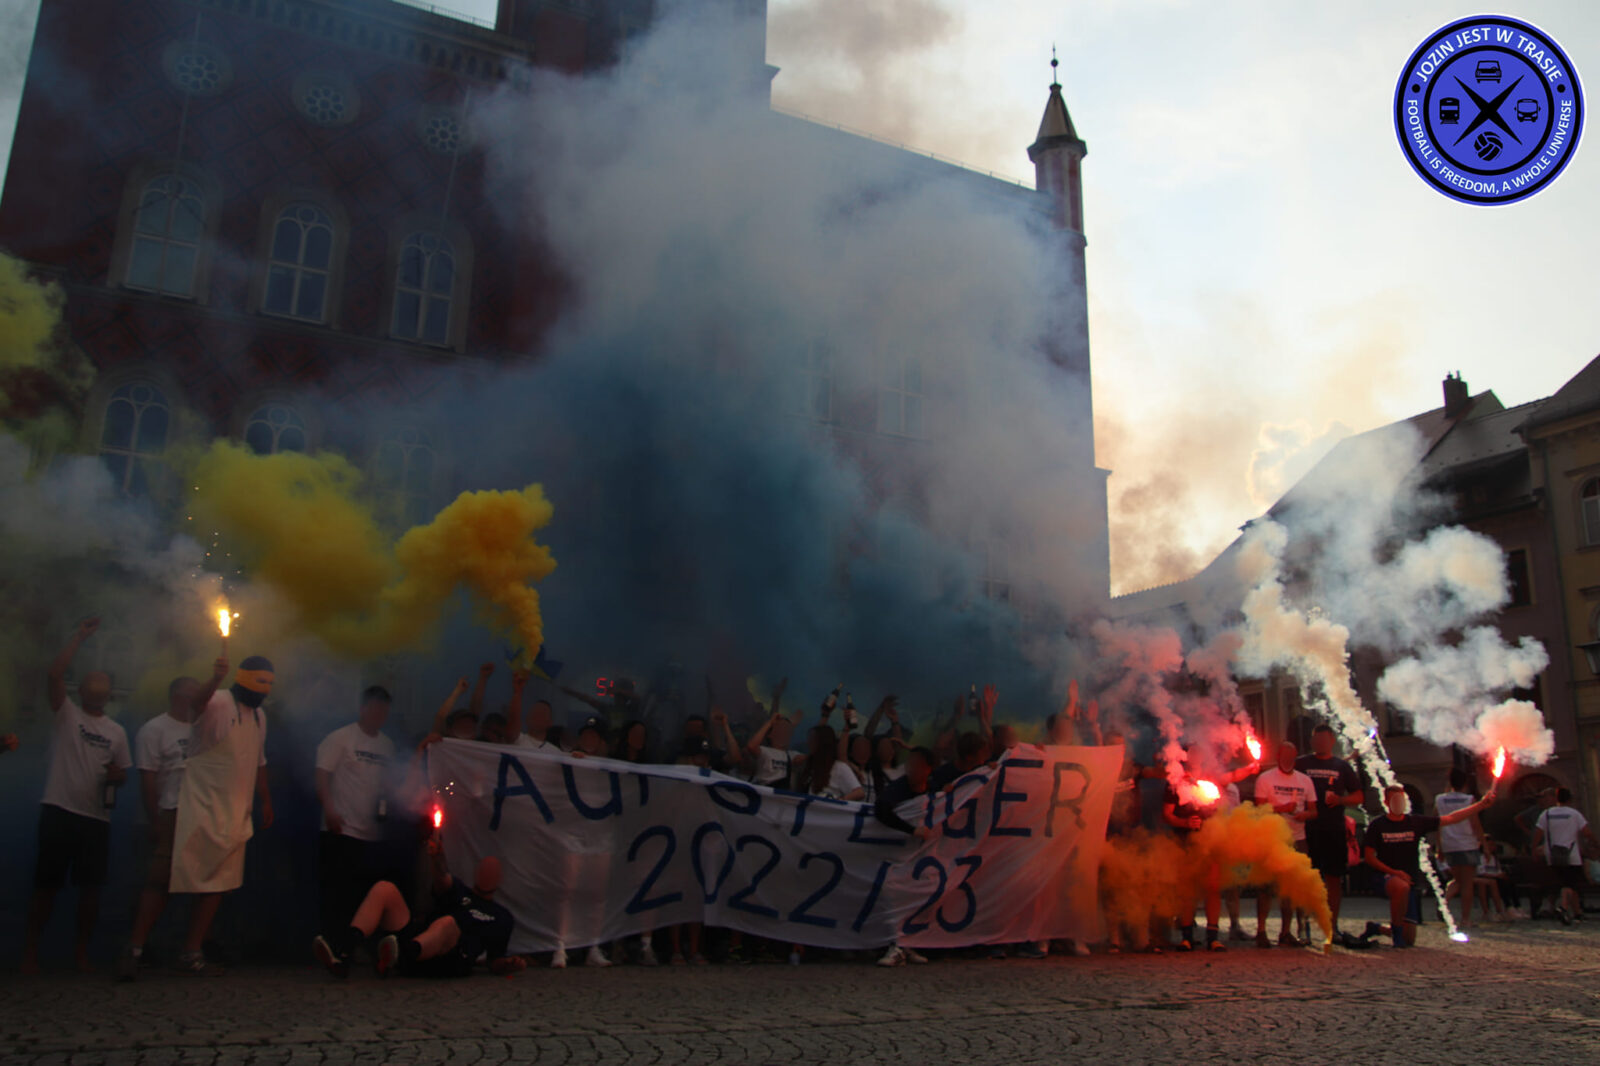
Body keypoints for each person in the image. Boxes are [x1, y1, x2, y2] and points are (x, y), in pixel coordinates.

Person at [21, 618, 132, 975]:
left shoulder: (116, 732)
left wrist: (117, 777)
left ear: (109, 692)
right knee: (46, 886)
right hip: (59, 808)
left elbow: (123, 775)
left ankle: (81, 955)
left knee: (91, 890)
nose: (96, 683)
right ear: (81, 691)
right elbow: (54, 676)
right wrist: (79, 638)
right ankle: (31, 954)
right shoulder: (68, 715)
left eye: (103, 681)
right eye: (90, 680)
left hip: (95, 817)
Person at [168, 653, 276, 976]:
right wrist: (215, 678)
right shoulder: (217, 702)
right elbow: (196, 707)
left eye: (270, 685)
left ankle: (192, 949)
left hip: (234, 811)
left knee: (219, 883)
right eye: (260, 683)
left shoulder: (259, 717)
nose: (265, 691)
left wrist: (266, 800)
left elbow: (259, 761)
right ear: (242, 680)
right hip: (201, 804)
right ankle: (142, 946)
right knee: (174, 875)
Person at [312, 841, 524, 979]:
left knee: (448, 923)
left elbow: (494, 961)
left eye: (492, 870)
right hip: (418, 937)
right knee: (385, 889)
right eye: (485, 868)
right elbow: (442, 879)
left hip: (450, 959)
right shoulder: (460, 890)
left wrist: (508, 964)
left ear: (499, 878)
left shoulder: (501, 917)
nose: (487, 873)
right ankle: (344, 954)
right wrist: (436, 858)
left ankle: (400, 957)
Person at [117, 675, 199, 980]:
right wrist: (153, 820)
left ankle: (181, 948)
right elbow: (148, 778)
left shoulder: (202, 728)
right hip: (159, 816)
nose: (197, 694)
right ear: (176, 694)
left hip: (192, 818)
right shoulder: (155, 729)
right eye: (192, 690)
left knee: (188, 885)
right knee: (151, 882)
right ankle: (138, 949)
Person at [1363, 782, 1496, 947]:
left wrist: (1480, 805)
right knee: (1401, 886)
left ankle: (1378, 928)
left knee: (1409, 938)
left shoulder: (1415, 822)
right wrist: (1394, 872)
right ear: (1386, 802)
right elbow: (1369, 857)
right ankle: (1397, 938)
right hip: (1385, 877)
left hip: (1408, 880)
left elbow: (1451, 818)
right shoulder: (1378, 825)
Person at [315, 686, 396, 945]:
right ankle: (332, 943)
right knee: (338, 891)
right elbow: (321, 775)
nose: (379, 714)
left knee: (365, 891)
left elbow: (390, 783)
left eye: (384, 710)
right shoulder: (340, 738)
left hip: (372, 832)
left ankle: (357, 944)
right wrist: (329, 809)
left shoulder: (387, 745)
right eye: (375, 708)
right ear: (363, 709)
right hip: (342, 828)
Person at [1296, 724, 1363, 940]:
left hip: (1334, 828)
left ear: (1331, 740)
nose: (1319, 743)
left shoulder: (1342, 766)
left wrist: (1340, 800)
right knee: (1306, 879)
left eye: (1323, 739)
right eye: (1315, 740)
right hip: (1308, 830)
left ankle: (1332, 927)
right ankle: (1304, 926)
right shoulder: (1303, 764)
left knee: (1334, 878)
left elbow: (1358, 796)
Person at [873, 746, 936, 967]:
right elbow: (881, 809)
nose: (911, 768)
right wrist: (911, 830)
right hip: (897, 853)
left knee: (918, 895)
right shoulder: (899, 788)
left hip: (921, 854)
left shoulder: (934, 786)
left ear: (928, 768)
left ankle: (908, 943)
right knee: (894, 894)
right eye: (910, 763)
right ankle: (896, 944)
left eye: (917, 763)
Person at [1252, 741, 1316, 947]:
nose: (1288, 759)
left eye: (1292, 755)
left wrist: (1305, 814)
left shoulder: (1305, 781)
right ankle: (1261, 931)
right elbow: (1259, 808)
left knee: (1291, 887)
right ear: (1278, 756)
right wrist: (1282, 808)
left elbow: (1314, 810)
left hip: (1297, 838)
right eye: (1284, 755)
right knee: (1266, 886)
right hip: (1272, 838)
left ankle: (1286, 932)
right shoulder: (1265, 779)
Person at [1531, 787, 1599, 925]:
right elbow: (1587, 833)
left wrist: (1533, 849)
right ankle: (1563, 907)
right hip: (1571, 854)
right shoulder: (1574, 814)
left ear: (1557, 799)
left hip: (1553, 854)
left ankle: (1578, 913)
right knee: (1569, 884)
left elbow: (1538, 833)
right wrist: (1596, 844)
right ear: (1570, 799)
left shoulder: (1547, 814)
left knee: (1569, 883)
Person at [1435, 768, 1487, 929]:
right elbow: (1475, 823)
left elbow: (1437, 824)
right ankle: (1466, 919)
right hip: (1466, 843)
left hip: (1449, 844)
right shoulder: (1468, 800)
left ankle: (1443, 904)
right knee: (1467, 884)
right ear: (1464, 783)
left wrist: (1439, 847)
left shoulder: (1440, 800)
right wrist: (1483, 843)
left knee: (1457, 880)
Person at [745, 679, 800, 787]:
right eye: (780, 729)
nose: (783, 732)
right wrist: (770, 722)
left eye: (786, 730)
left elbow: (815, 756)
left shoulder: (792, 756)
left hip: (780, 800)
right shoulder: (764, 751)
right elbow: (751, 746)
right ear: (769, 735)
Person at [796, 724, 865, 801]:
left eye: (812, 739)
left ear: (823, 743)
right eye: (809, 739)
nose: (808, 742)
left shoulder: (839, 767)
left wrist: (837, 802)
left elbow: (859, 792)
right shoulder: (807, 764)